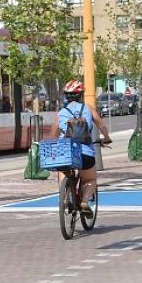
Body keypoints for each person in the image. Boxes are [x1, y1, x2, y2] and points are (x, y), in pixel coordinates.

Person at [57, 80, 111, 211]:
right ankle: (85, 201)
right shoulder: (88, 109)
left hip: (66, 152)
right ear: (81, 95)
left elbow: (53, 132)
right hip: (85, 153)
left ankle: (65, 196)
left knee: (63, 171)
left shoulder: (61, 112)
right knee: (90, 179)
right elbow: (102, 126)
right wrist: (107, 138)